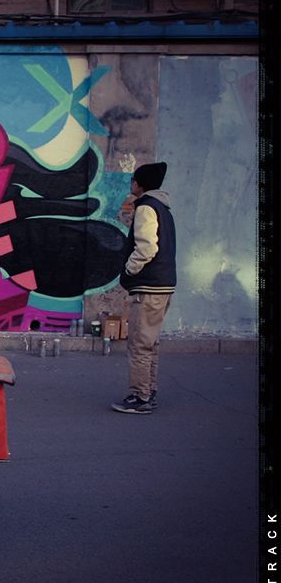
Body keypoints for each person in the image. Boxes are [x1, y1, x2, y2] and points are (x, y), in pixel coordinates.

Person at [112, 162, 175, 414]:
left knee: (139, 343)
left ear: (141, 184)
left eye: (133, 180)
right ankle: (149, 390)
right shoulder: (164, 208)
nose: (131, 184)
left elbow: (147, 247)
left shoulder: (147, 208)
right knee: (150, 342)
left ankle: (141, 396)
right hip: (163, 285)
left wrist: (129, 269)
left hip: (149, 286)